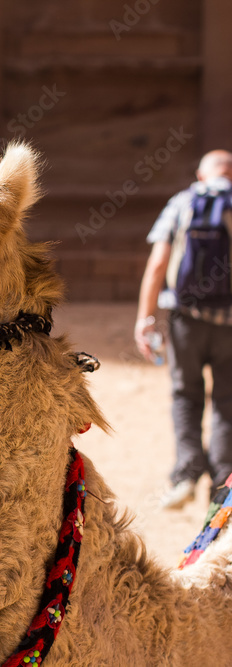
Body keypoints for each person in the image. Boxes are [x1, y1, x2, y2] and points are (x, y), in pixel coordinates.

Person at [135, 149, 232, 509]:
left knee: (184, 394)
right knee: (227, 402)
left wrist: (146, 319)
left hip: (185, 320)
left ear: (200, 174)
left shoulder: (183, 202)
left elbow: (158, 262)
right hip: (229, 326)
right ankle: (223, 488)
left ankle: (187, 472)